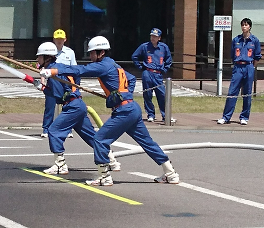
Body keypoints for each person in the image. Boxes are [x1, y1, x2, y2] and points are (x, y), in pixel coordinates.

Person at [40, 36, 179, 186]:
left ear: (101, 52)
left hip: (124, 111)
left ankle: (104, 176)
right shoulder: (113, 64)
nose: (90, 55)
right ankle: (170, 173)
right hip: (131, 108)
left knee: (100, 139)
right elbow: (131, 79)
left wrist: (54, 70)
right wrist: (121, 93)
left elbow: (80, 70)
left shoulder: (103, 65)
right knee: (147, 142)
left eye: (92, 53)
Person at [33, 42, 121, 174]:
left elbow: (58, 96)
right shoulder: (60, 67)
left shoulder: (52, 72)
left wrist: (43, 88)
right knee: (92, 137)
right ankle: (112, 160)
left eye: (39, 57)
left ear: (47, 57)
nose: (37, 59)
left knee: (54, 131)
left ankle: (60, 164)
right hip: (78, 104)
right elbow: (74, 79)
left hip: (72, 106)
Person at [217, 18, 262, 125]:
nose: (244, 27)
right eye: (242, 25)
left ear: (250, 26)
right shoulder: (236, 40)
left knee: (247, 93)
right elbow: (233, 54)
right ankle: (226, 117)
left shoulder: (254, 40)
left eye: (246, 25)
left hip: (249, 67)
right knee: (232, 92)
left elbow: (257, 56)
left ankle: (244, 117)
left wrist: (252, 67)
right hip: (238, 67)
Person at [41, 29, 77, 138]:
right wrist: (43, 81)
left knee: (67, 105)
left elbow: (74, 68)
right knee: (50, 106)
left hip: (66, 82)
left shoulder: (70, 52)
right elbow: (43, 67)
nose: (59, 41)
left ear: (65, 39)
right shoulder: (48, 50)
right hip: (52, 81)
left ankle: (67, 129)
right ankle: (46, 129)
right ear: (54, 40)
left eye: (61, 39)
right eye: (57, 39)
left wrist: (74, 84)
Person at [131, 28, 172, 122]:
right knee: (147, 94)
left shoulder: (164, 47)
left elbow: (168, 60)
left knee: (162, 94)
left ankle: (165, 115)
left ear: (159, 38)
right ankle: (150, 114)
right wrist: (140, 67)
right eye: (152, 36)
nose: (153, 38)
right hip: (147, 73)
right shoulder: (144, 46)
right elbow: (135, 56)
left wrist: (164, 69)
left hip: (158, 74)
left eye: (155, 36)